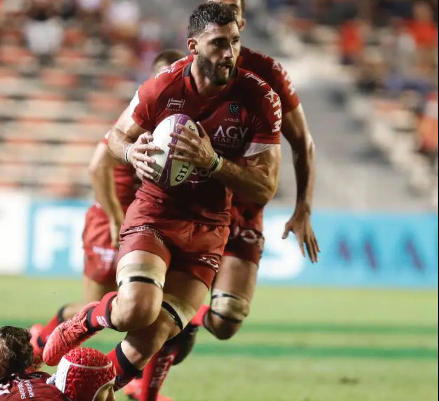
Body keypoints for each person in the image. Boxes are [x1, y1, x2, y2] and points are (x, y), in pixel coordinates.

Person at [42, 3, 283, 395]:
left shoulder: (260, 98)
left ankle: (82, 391)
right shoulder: (163, 86)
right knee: (135, 310)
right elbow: (116, 137)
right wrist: (130, 152)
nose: (229, 53)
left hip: (209, 229)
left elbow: (264, 187)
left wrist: (213, 163)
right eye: (218, 43)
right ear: (194, 46)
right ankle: (83, 321)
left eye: (235, 41)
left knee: (152, 336)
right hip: (156, 215)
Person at [129, 1, 321, 400]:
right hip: (188, 206)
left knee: (226, 320)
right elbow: (124, 136)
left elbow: (302, 141)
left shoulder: (266, 75)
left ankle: (192, 313)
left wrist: (303, 207)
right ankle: (143, 388)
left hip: (243, 203)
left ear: (242, 19)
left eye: (231, 7)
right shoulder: (178, 76)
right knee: (154, 311)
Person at [29, 49, 186, 358]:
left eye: (178, 76)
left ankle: (143, 382)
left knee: (157, 311)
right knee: (99, 309)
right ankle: (41, 342)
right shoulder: (136, 120)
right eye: (165, 75)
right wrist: (115, 217)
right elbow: (97, 167)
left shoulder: (184, 124)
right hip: (112, 220)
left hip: (150, 224)